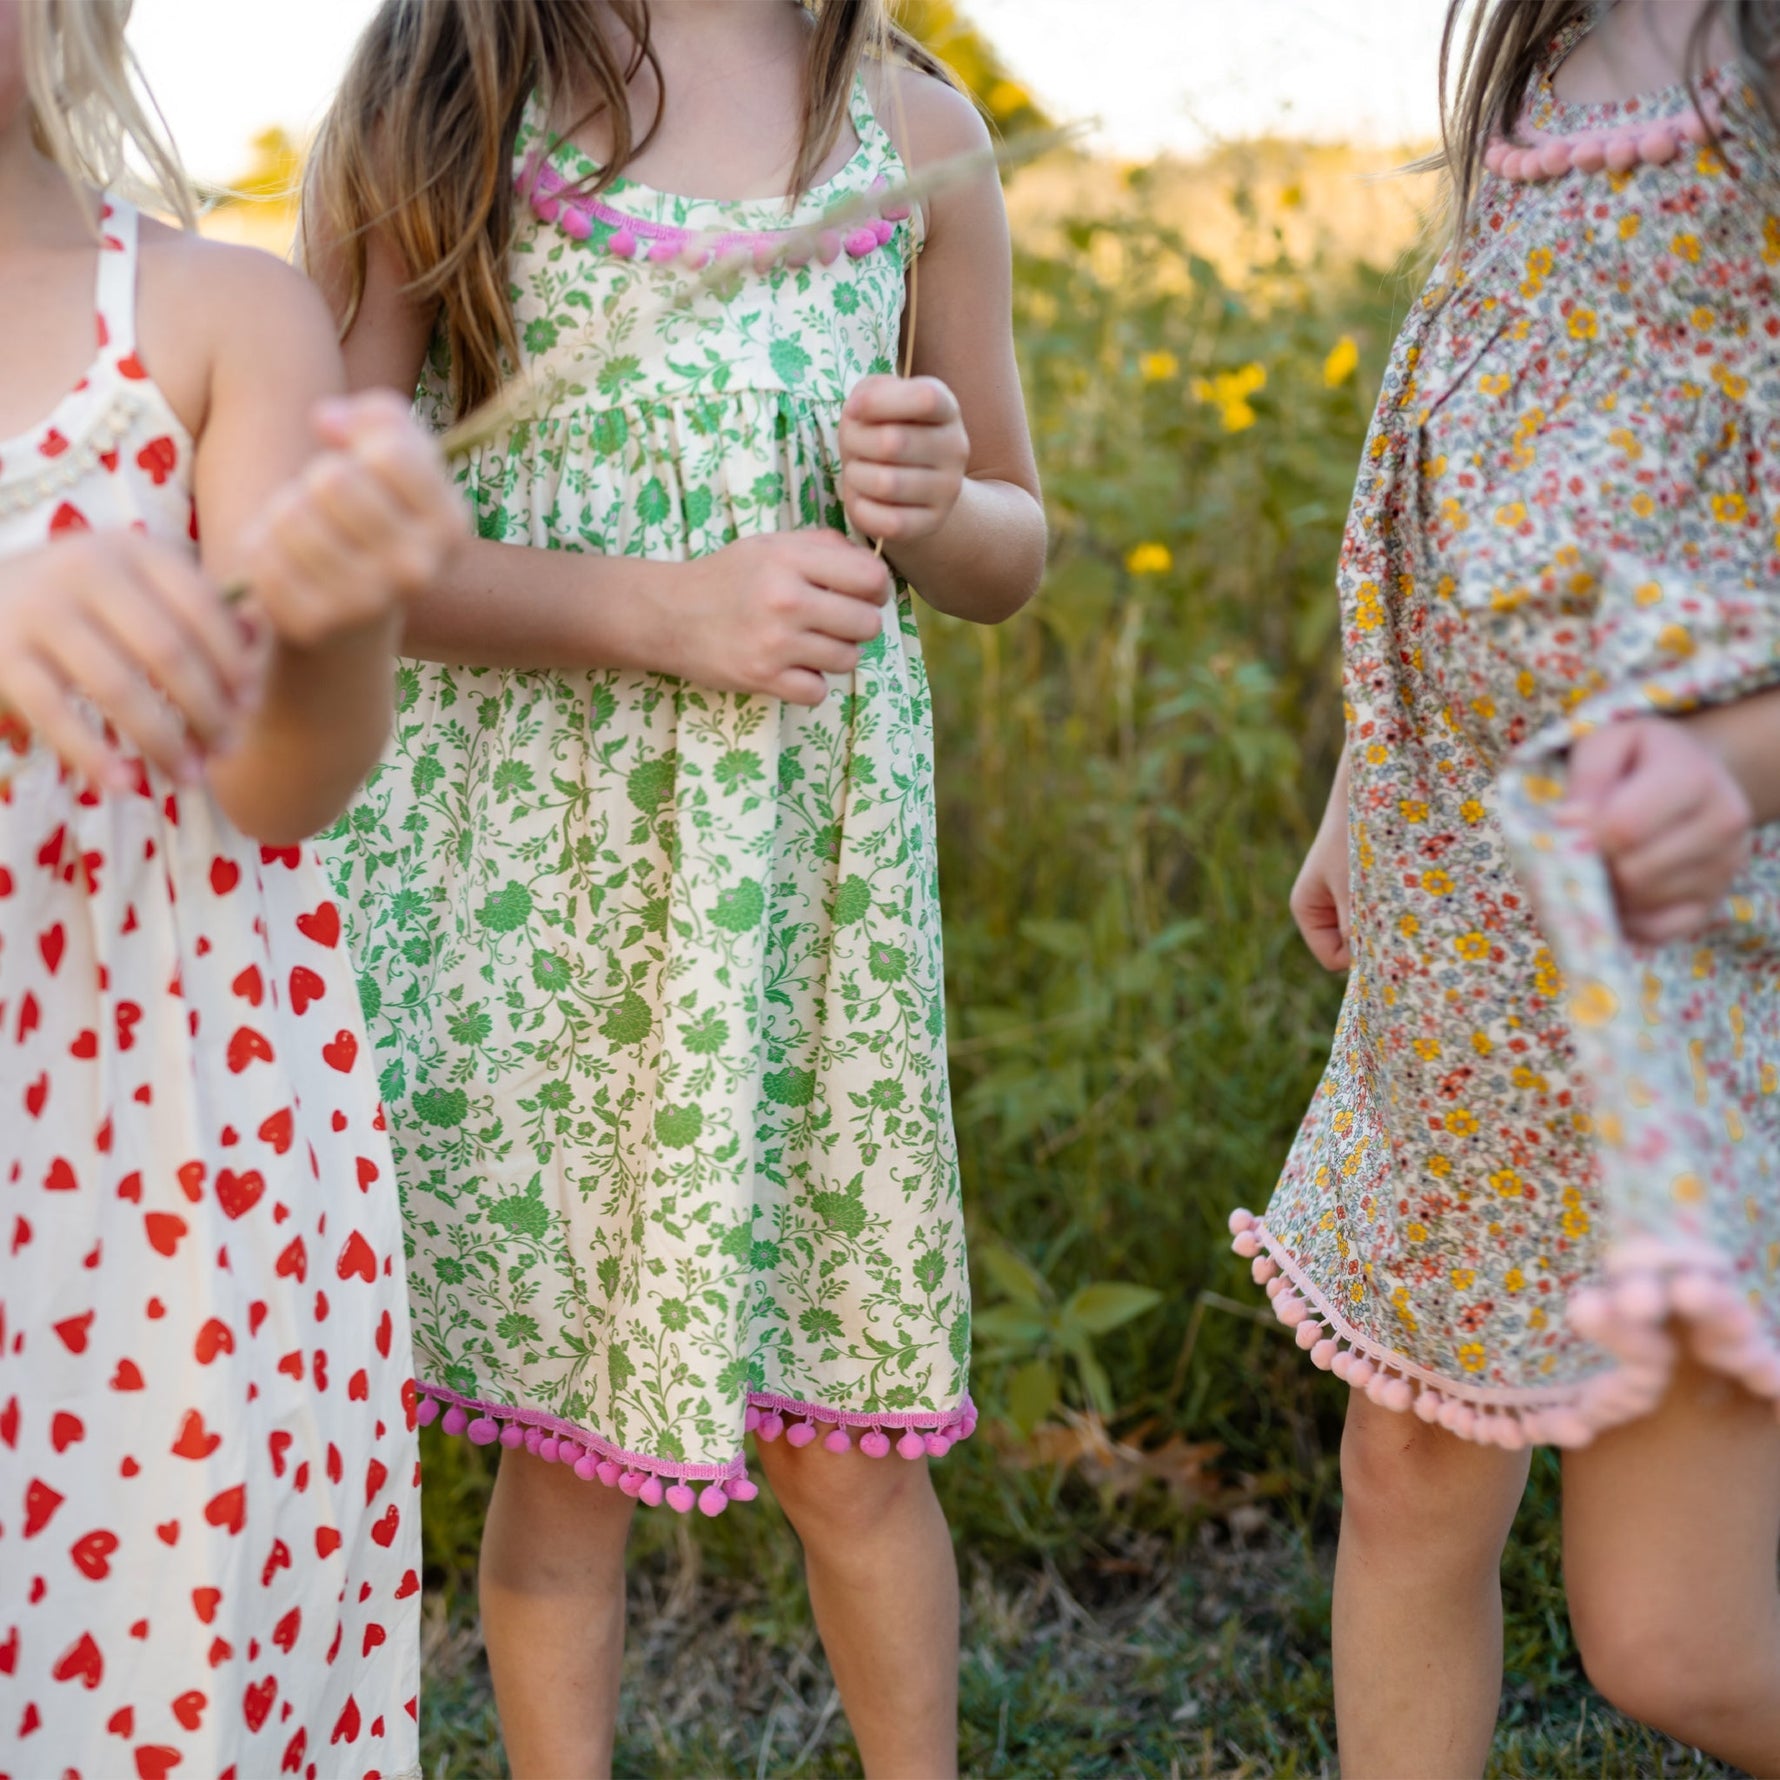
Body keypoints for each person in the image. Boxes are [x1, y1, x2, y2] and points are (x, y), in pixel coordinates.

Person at [303, 2, 1045, 1774]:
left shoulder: (915, 129)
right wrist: (651, 611)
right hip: (524, 903)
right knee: (560, 1453)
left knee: (849, 1445)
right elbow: (311, 543)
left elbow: (1015, 540)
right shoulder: (449, 87)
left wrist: (940, 509)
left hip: (795, 919)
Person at [1229, 1, 1780, 1773]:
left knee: (1676, 1636)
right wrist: (1356, 785)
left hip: (1698, 964)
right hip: (1465, 930)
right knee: (1405, 1466)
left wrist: (1728, 767)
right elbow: (1458, 498)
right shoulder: (1541, 72)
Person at [0, 3, 464, 1776]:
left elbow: (288, 779)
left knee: (148, 1639)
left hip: (154, 1160)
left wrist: (339, 616)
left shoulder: (216, 318)